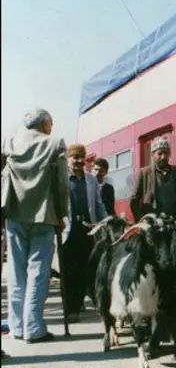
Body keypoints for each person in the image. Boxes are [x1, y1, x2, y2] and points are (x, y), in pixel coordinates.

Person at [1, 109, 69, 343]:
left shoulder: (8, 141)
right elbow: (61, 184)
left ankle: (17, 327)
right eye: (51, 122)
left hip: (14, 215)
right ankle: (34, 328)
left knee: (16, 273)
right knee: (38, 273)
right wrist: (61, 214)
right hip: (44, 216)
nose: (53, 126)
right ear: (43, 123)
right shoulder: (55, 143)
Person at [62, 143, 107, 323]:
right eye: (75, 158)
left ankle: (83, 303)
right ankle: (71, 309)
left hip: (88, 229)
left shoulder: (91, 179)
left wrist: (105, 220)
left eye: (82, 158)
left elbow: (98, 204)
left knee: (87, 268)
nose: (79, 161)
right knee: (69, 271)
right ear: (68, 159)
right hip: (68, 231)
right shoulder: (62, 178)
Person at [129, 137, 176, 222]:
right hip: (153, 223)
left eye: (166, 153)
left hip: (175, 221)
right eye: (160, 153)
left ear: (169, 154)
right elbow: (134, 200)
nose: (163, 157)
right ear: (152, 155)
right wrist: (141, 219)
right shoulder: (144, 173)